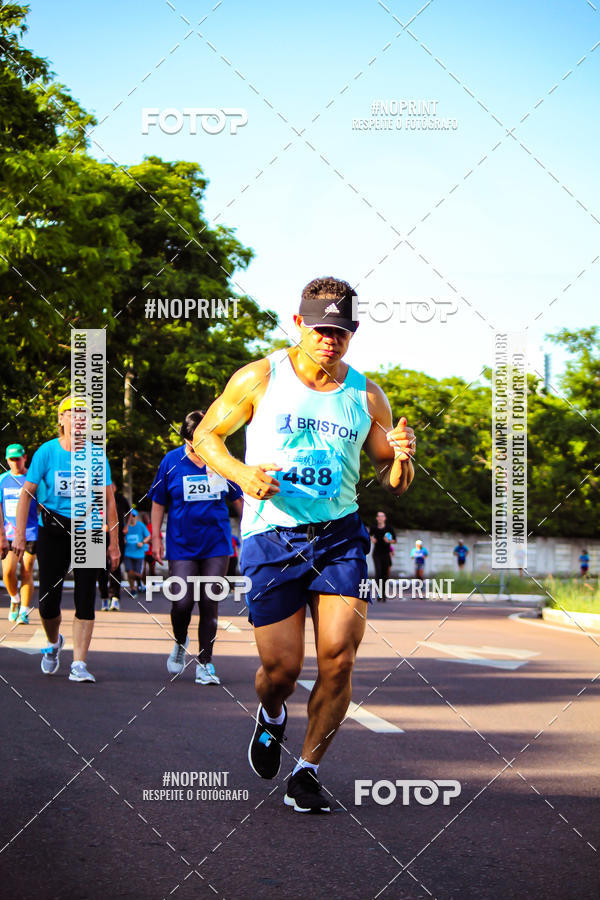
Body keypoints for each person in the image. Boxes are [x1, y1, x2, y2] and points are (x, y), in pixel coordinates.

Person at [193, 276, 415, 813]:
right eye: (319, 329)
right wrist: (241, 473)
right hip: (272, 536)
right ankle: (271, 715)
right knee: (282, 671)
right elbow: (205, 437)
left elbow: (394, 478)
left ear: (353, 331)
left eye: (339, 331)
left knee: (338, 658)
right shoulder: (260, 377)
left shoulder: (366, 394)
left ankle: (308, 771)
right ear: (298, 324)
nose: (329, 340)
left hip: (339, 536)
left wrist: (405, 456)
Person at [12, 396, 120, 682]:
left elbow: (109, 500)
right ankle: (53, 641)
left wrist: (114, 542)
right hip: (53, 530)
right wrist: (20, 535)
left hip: (89, 528)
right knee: (48, 603)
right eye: (73, 414)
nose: (79, 419)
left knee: (86, 597)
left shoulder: (97, 455)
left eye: (84, 415)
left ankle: (79, 663)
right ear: (61, 419)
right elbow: (27, 494)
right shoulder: (47, 452)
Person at [149, 411, 243, 685]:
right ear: (186, 439)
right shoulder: (171, 461)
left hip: (217, 543)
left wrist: (251, 531)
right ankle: (180, 641)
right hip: (182, 544)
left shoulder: (221, 460)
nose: (199, 447)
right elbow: (158, 501)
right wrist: (156, 537)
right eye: (194, 442)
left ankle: (206, 663)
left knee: (209, 603)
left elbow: (238, 499)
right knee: (182, 602)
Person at [0, 444, 38, 624]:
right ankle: (14, 599)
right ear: (7, 460)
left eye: (18, 459)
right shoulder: (2, 479)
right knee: (7, 572)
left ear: (25, 458)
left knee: (27, 570)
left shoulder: (33, 478)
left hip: (31, 532)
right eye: (11, 459)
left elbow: (43, 503)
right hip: (8, 533)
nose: (15, 463)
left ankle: (24, 610)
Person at [369, 510, 396, 601]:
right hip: (377, 554)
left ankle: (383, 593)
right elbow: (369, 535)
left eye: (382, 516)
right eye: (379, 516)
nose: (380, 518)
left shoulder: (389, 528)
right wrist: (372, 538)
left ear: (385, 518)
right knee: (378, 573)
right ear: (377, 518)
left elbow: (395, 540)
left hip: (386, 554)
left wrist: (389, 541)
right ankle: (379, 593)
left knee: (385, 575)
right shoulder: (374, 528)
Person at [123, 509, 150, 594]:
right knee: (129, 572)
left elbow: (148, 536)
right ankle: (133, 589)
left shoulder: (141, 525)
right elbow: (120, 535)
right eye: (130, 516)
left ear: (136, 517)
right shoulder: (125, 526)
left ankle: (139, 581)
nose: (132, 518)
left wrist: (142, 542)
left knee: (138, 574)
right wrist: (123, 540)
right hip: (128, 553)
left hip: (139, 554)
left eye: (133, 516)